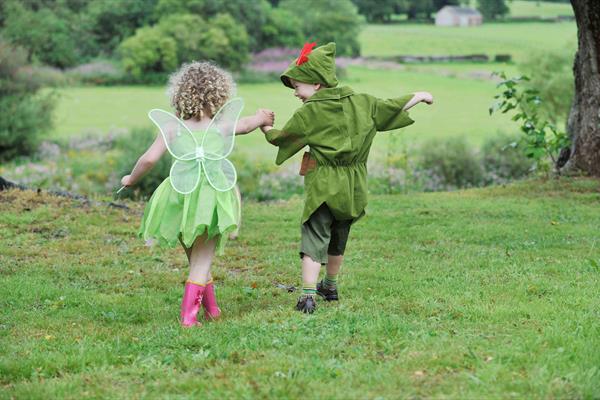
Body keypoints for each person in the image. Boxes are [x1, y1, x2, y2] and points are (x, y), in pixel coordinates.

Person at [261, 42, 433, 313]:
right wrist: (420, 95)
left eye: (297, 86)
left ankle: (308, 295)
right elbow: (391, 107)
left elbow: (283, 139)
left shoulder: (309, 112)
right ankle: (330, 285)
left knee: (315, 234)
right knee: (339, 234)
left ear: (316, 84)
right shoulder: (362, 102)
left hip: (324, 185)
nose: (295, 93)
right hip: (353, 186)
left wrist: (266, 126)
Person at [121, 61, 274, 327]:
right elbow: (248, 124)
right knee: (202, 262)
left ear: (181, 94)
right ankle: (188, 319)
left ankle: (212, 311)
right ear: (219, 95)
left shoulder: (172, 128)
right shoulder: (220, 126)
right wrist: (263, 117)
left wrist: (130, 179)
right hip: (209, 201)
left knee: (196, 259)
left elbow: (148, 160)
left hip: (178, 199)